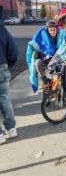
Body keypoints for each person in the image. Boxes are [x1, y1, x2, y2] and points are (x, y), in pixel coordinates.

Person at [26, 20, 66, 94]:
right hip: (47, 58)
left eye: (54, 30)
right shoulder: (41, 36)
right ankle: (45, 81)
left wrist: (59, 57)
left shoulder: (63, 34)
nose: (52, 32)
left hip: (60, 59)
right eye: (50, 30)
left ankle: (64, 93)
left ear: (57, 29)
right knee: (37, 63)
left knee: (63, 76)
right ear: (47, 30)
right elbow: (33, 47)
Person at [0, 8, 18, 144]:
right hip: (2, 67)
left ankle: (0, 135)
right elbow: (13, 50)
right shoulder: (2, 30)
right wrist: (8, 64)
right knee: (5, 98)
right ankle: (11, 129)